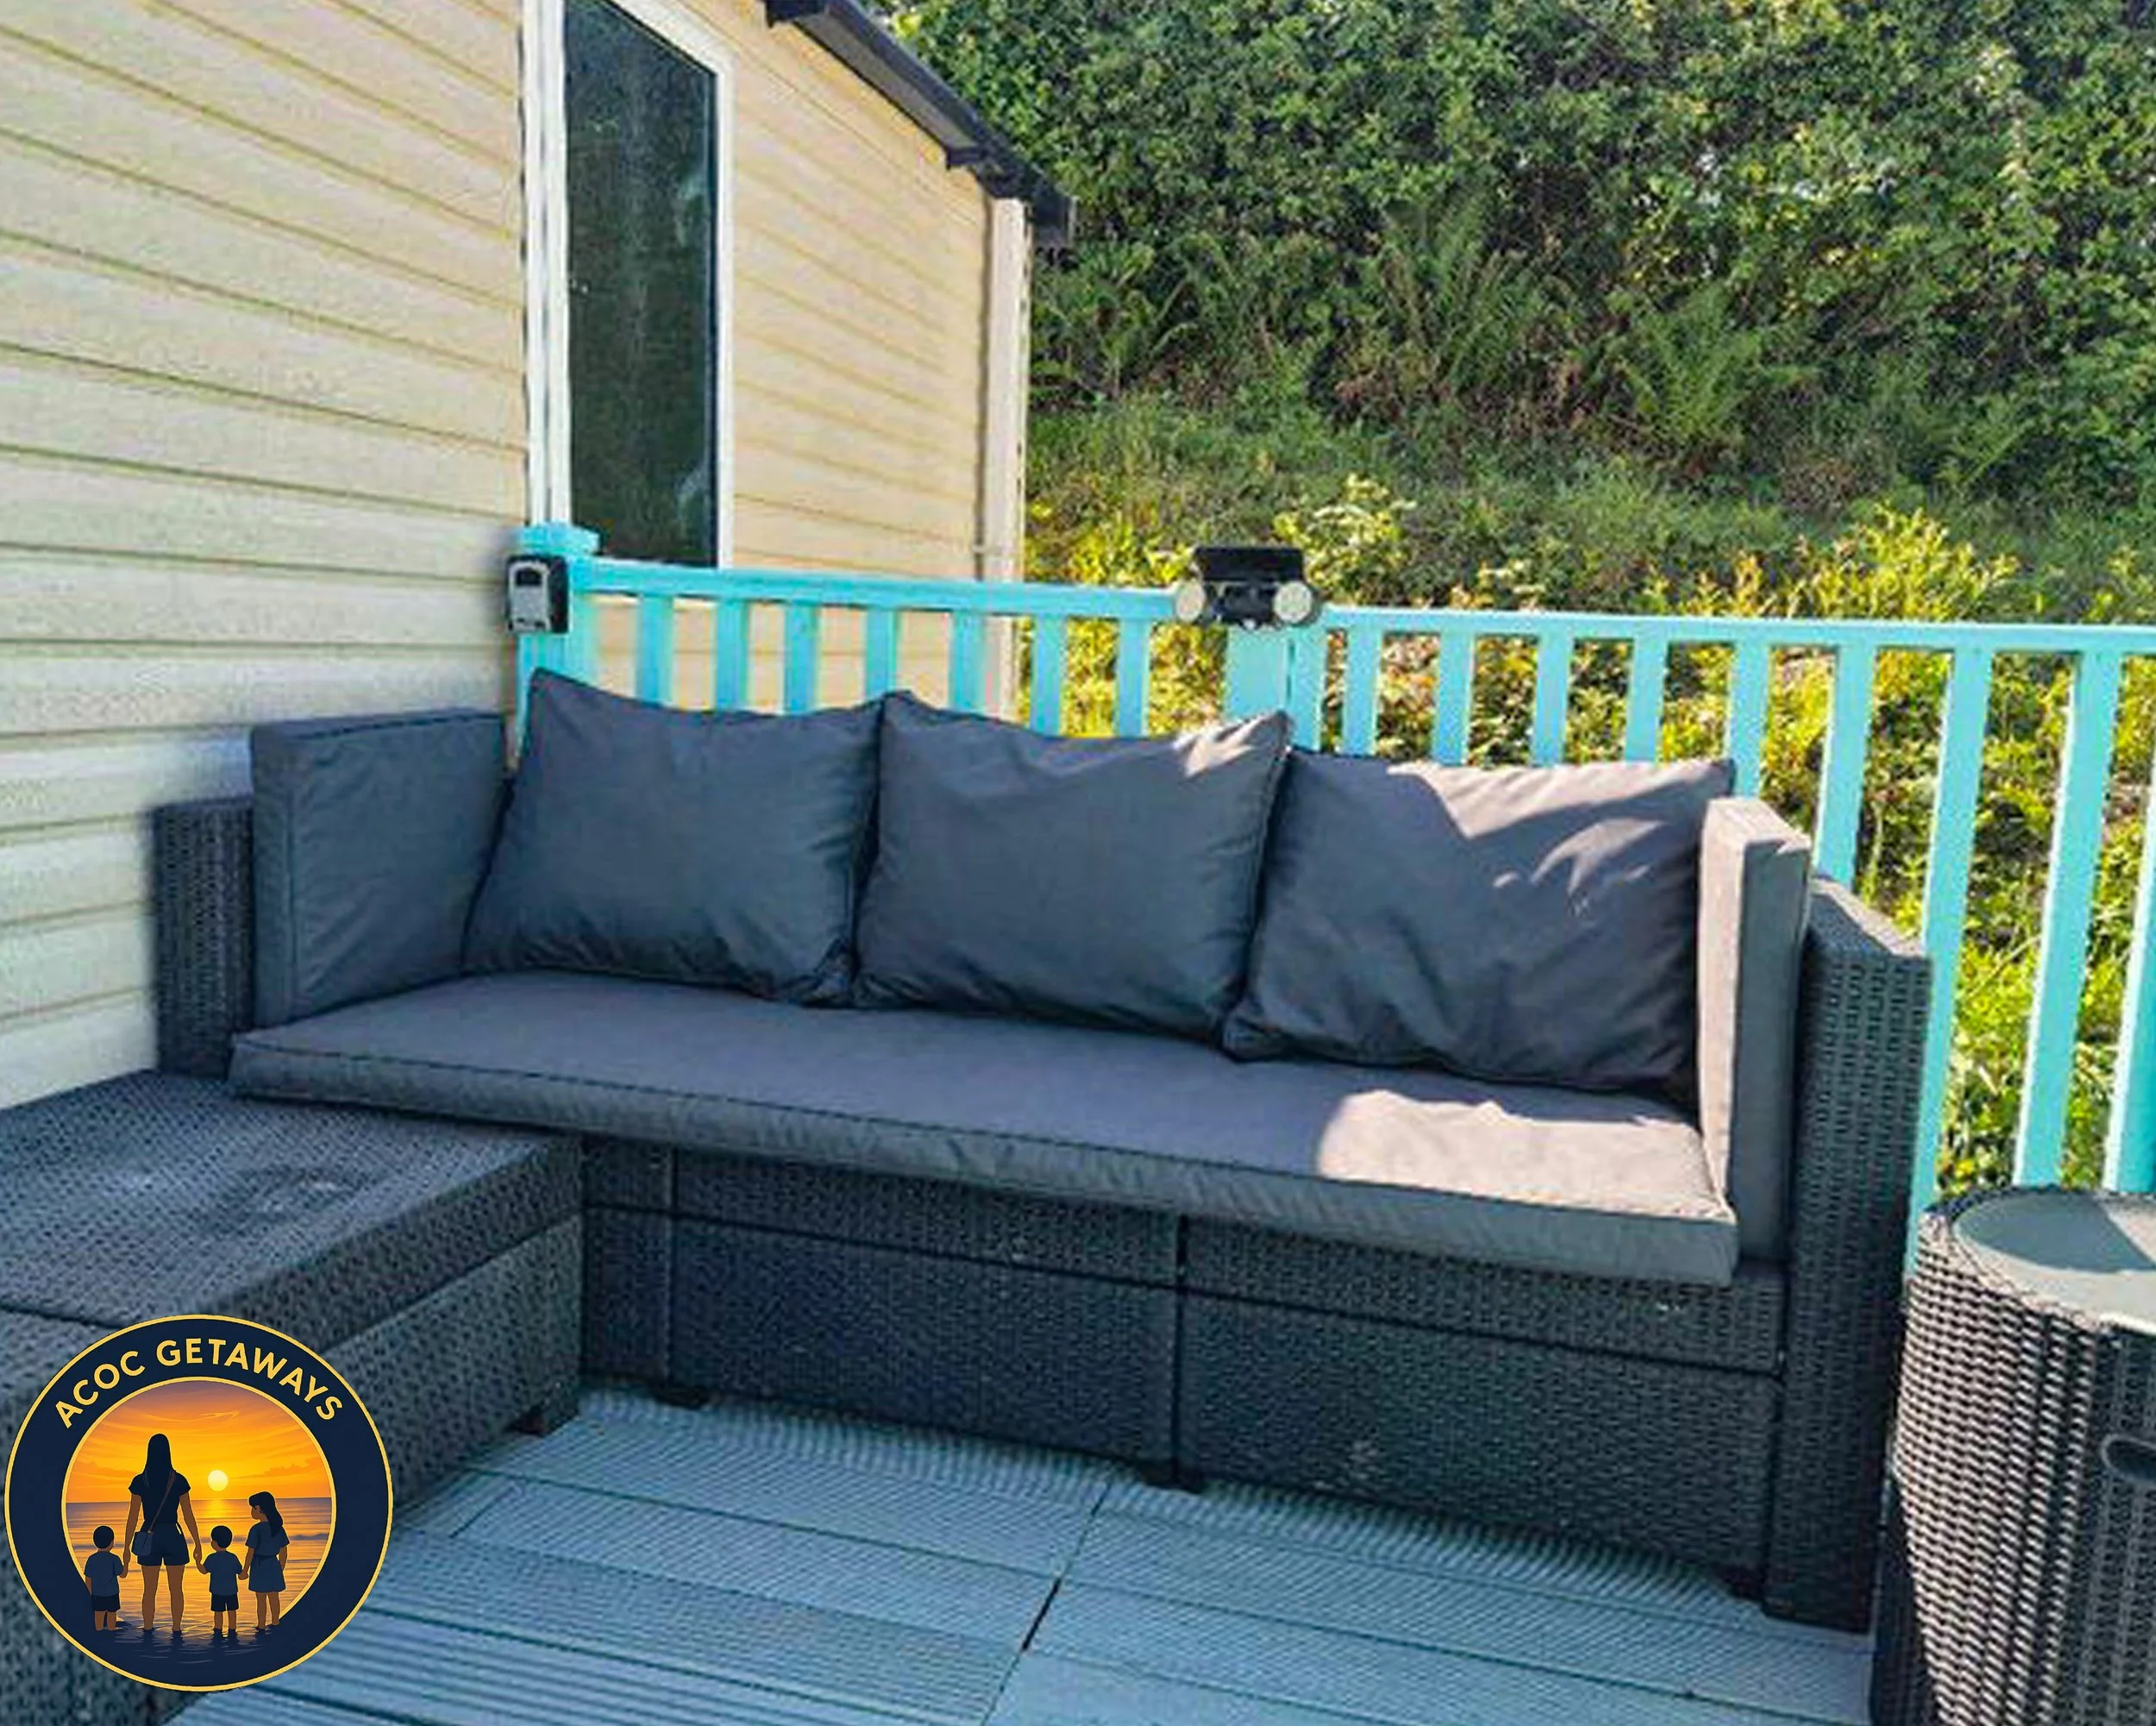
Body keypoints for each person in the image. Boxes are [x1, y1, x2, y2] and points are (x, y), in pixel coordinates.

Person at [120, 1433, 200, 1633]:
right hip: (173, 1535)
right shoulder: (179, 1480)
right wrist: (197, 1542)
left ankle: (148, 1629)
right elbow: (188, 1514)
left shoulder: (140, 1481)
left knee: (149, 1590)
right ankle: (176, 1629)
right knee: (176, 1589)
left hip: (149, 1536)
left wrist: (127, 1547)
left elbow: (133, 1516)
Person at [242, 1491, 287, 1629]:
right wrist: (280, 1568)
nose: (251, 1511)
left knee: (261, 1600)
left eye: (253, 1508)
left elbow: (250, 1553)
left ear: (259, 1508)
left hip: (259, 1566)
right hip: (273, 1565)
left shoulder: (256, 1529)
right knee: (274, 1598)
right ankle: (276, 1622)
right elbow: (284, 1551)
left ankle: (261, 1625)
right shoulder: (278, 1528)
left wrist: (245, 1571)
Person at [197, 1526, 242, 1637]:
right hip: (232, 1591)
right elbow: (240, 1572)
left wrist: (198, 1561)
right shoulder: (233, 1557)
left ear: (215, 1542)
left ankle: (218, 1629)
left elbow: (204, 1570)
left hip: (217, 1591)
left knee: (218, 1612)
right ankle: (232, 1629)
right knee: (232, 1611)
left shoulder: (212, 1558)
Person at [82, 1526, 122, 1631]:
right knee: (112, 1613)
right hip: (112, 1593)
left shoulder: (91, 1559)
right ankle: (112, 1628)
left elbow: (88, 1578)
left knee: (98, 1613)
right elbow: (121, 1574)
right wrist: (125, 1564)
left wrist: (90, 1593)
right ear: (112, 1542)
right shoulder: (114, 1559)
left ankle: (99, 1629)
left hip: (97, 1594)